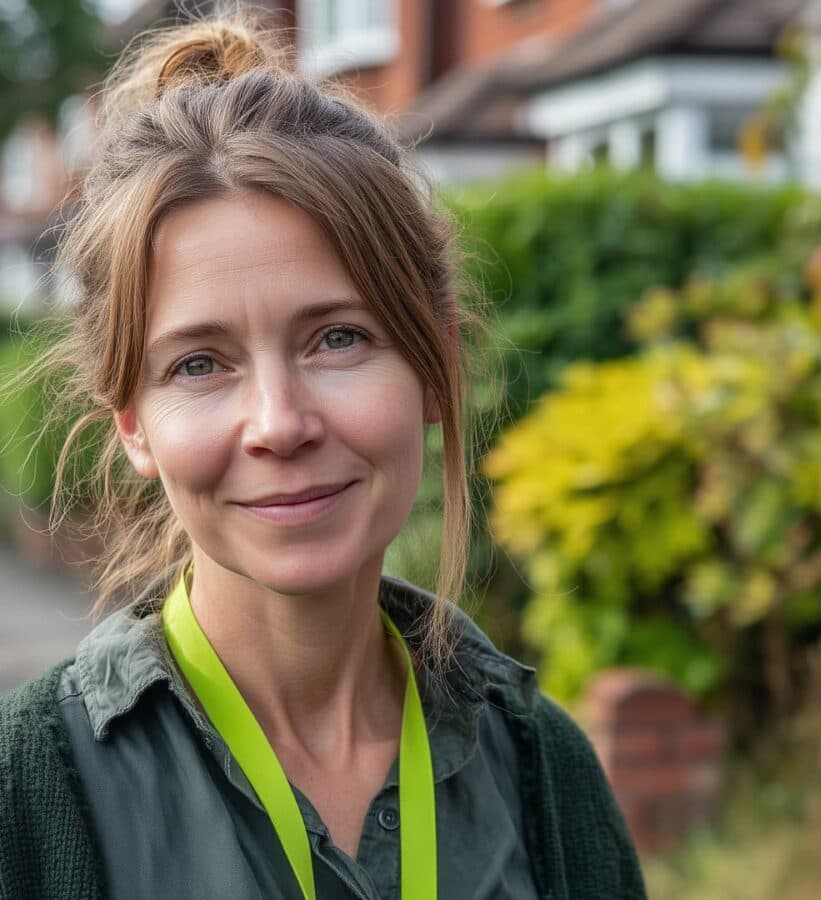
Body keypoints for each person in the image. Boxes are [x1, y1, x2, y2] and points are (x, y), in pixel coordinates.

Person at [0, 8, 646, 900]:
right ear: (133, 425)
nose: (279, 421)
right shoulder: (27, 796)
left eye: (337, 339)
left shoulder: (546, 779)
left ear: (436, 365)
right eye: (199, 363)